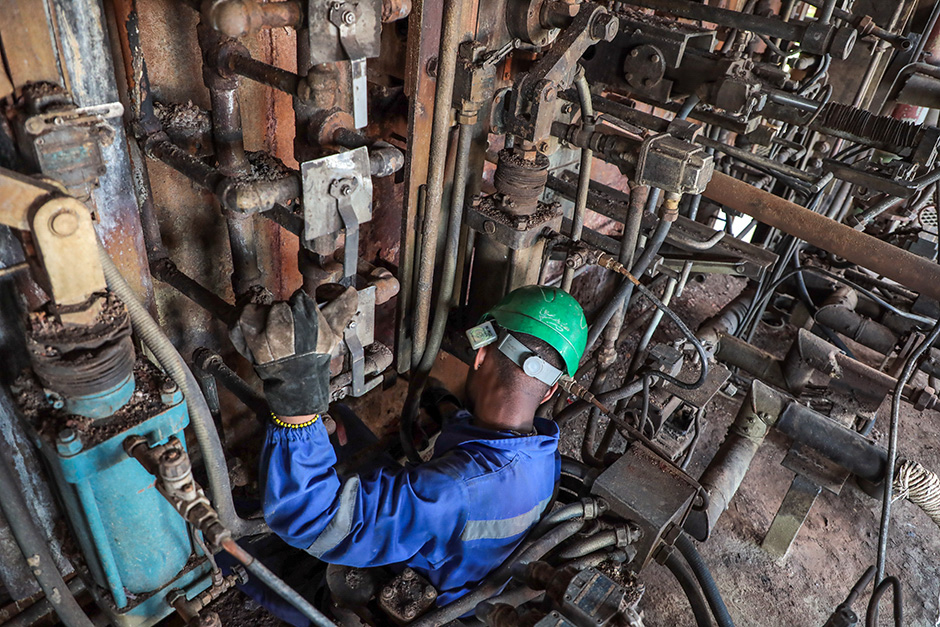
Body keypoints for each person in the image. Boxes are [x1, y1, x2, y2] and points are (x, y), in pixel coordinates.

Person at [228, 285, 588, 624]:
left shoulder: (451, 489)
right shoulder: (543, 454)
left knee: (223, 532)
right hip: (462, 558)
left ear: (480, 355)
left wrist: (296, 401)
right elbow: (484, 466)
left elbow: (308, 514)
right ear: (548, 390)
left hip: (403, 593)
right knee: (342, 422)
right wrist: (449, 410)